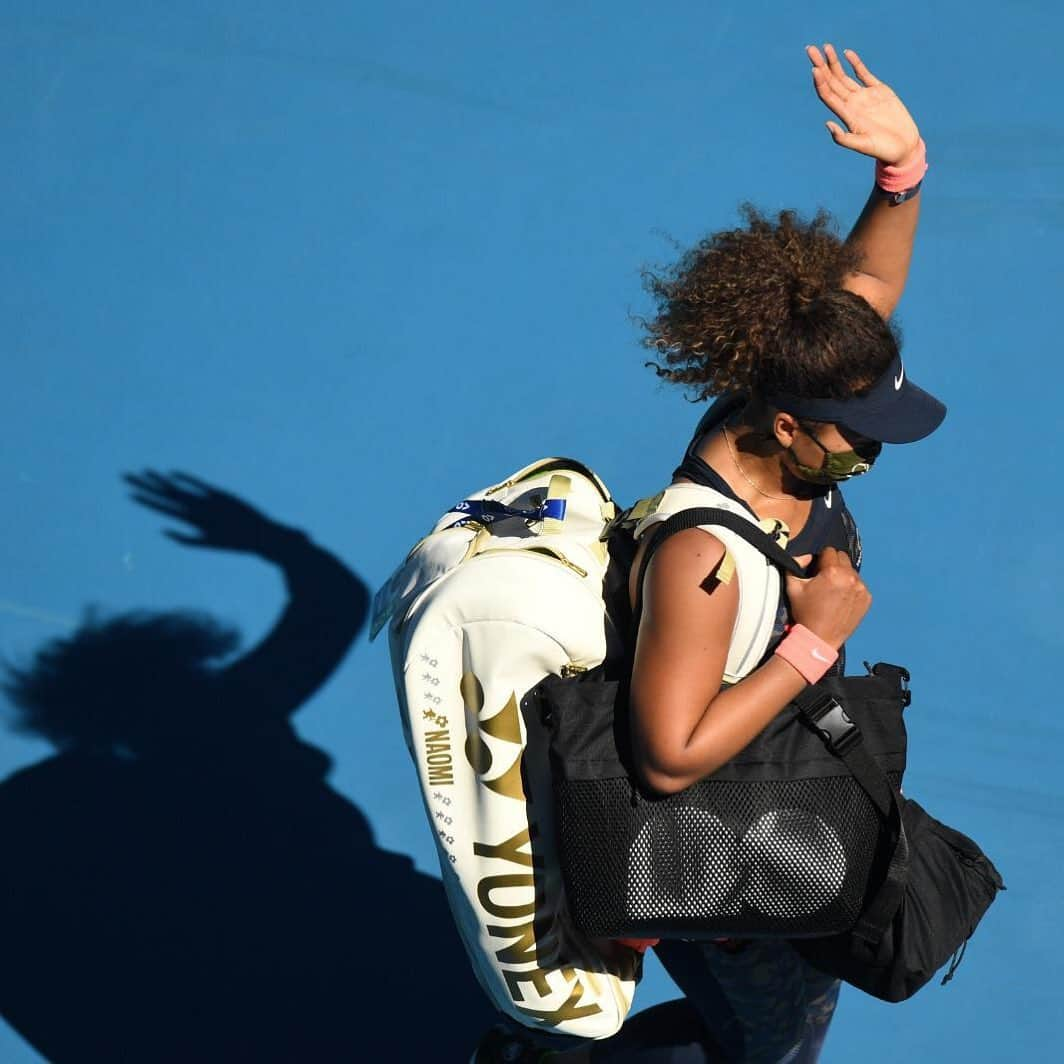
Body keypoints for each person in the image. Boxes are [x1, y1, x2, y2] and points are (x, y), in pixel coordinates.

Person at [472, 42, 945, 1063]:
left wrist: (898, 172)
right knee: (770, 1041)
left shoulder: (782, 385)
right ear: (785, 424)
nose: (872, 446)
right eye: (855, 433)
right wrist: (810, 643)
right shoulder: (705, 559)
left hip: (766, 768)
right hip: (708, 848)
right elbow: (666, 754)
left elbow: (857, 291)